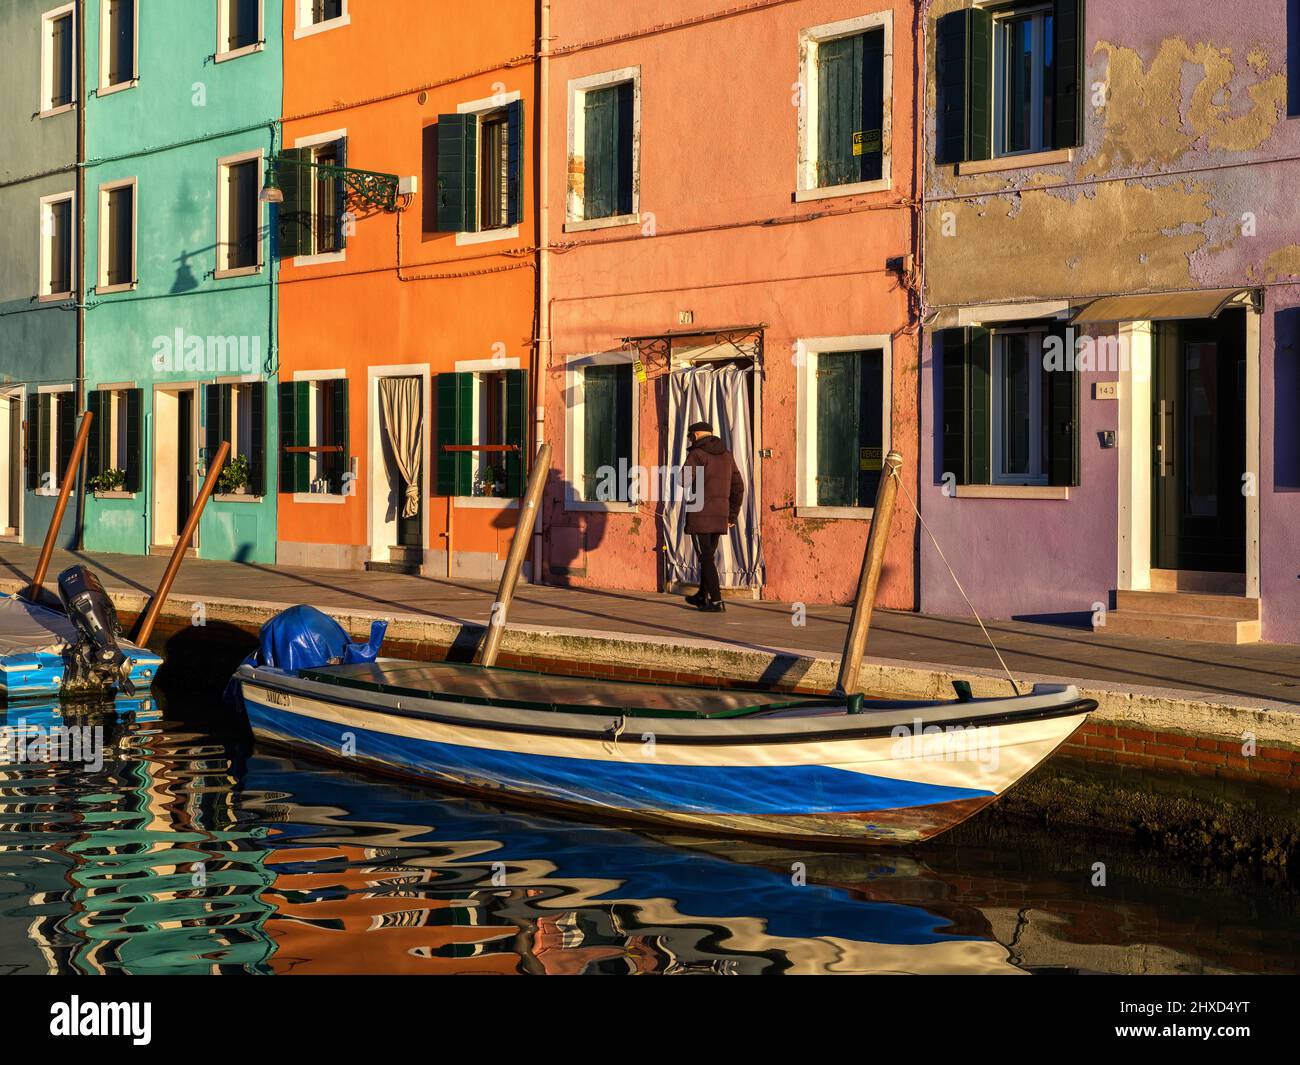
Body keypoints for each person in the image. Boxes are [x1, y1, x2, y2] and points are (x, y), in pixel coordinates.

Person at [682, 420, 744, 613]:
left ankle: (716, 602)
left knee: (706, 558)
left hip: (700, 516)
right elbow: (738, 487)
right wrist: (731, 516)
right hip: (720, 517)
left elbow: (683, 481)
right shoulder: (727, 455)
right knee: (708, 557)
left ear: (697, 435)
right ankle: (702, 595)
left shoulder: (696, 454)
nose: (690, 440)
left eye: (690, 436)